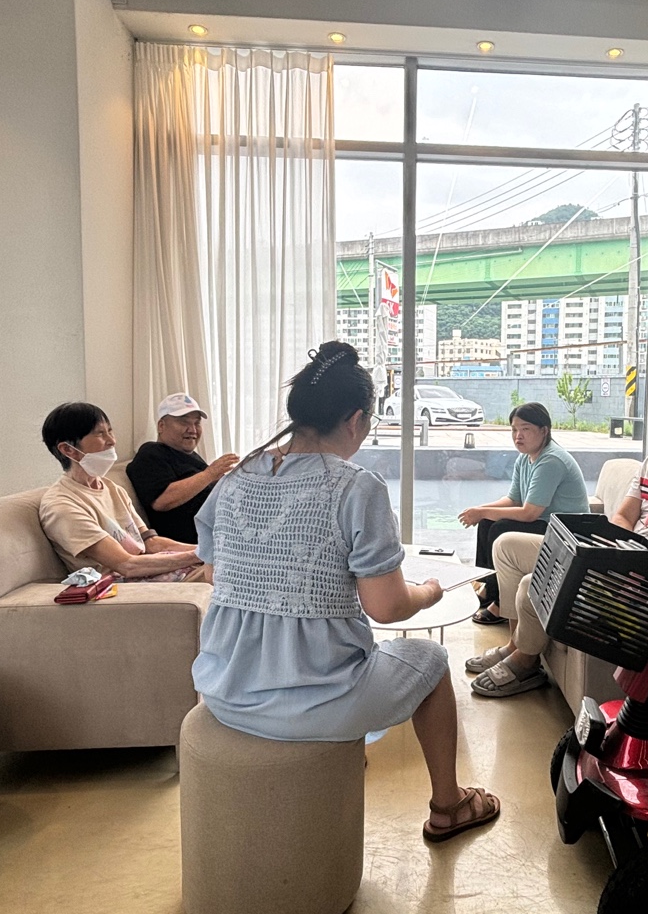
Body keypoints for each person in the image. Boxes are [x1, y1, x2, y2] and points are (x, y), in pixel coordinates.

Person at [192, 342, 500, 843]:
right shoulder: (356, 487)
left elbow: (212, 573)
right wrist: (429, 591)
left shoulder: (235, 478)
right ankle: (449, 806)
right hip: (316, 696)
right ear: (356, 420)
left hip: (225, 685)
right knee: (432, 661)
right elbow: (388, 607)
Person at [468, 384, 648, 698]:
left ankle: (524, 661)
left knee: (534, 582)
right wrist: (620, 548)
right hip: (624, 556)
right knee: (507, 546)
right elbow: (624, 515)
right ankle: (518, 649)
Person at [38, 402, 211, 583]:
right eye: (100, 433)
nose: (112, 441)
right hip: (122, 586)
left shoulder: (112, 489)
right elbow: (127, 565)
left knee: (228, 565)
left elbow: (150, 543)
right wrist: (201, 554)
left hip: (154, 570)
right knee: (226, 575)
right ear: (68, 449)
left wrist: (210, 549)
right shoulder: (61, 505)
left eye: (110, 431)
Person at [458, 402, 589, 626]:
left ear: (544, 430)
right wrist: (480, 511)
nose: (518, 436)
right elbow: (514, 499)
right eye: (514, 429)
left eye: (525, 429)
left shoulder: (551, 460)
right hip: (545, 523)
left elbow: (529, 513)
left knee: (500, 528)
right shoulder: (525, 458)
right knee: (487, 522)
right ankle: (491, 588)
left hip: (565, 532)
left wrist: (483, 511)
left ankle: (501, 604)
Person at [126, 392, 240, 543]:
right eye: (184, 422)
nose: (192, 430)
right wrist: (209, 474)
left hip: (226, 528)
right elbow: (162, 501)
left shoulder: (192, 457)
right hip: (195, 541)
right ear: (161, 426)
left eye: (197, 423)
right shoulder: (151, 453)